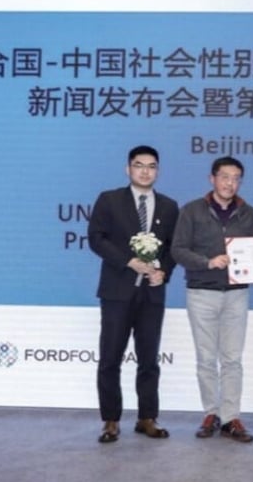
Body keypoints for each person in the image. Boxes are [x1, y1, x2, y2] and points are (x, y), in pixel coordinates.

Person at [88, 145, 179, 443]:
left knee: (149, 359)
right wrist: (128, 261)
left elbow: (172, 248)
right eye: (139, 165)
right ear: (128, 169)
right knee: (110, 358)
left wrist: (163, 271)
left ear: (158, 171)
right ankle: (111, 421)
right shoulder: (109, 200)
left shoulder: (168, 206)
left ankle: (147, 418)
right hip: (117, 291)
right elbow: (96, 239)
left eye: (151, 166)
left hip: (152, 295)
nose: (145, 171)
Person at [171, 156, 253, 443]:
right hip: (201, 293)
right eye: (225, 177)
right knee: (206, 359)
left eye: (236, 178)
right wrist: (207, 262)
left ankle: (231, 417)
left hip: (236, 294)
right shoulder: (191, 211)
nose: (230, 183)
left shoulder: (249, 214)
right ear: (212, 179)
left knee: (232, 359)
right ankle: (211, 413)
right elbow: (178, 250)